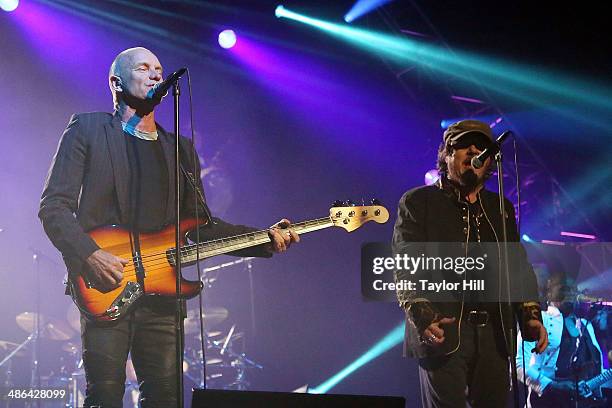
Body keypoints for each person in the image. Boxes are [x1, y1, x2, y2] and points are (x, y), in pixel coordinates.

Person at [38, 47, 299, 408]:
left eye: (159, 69)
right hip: (106, 285)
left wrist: (263, 239)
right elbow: (53, 207)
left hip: (164, 296)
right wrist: (90, 255)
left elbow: (202, 228)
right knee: (105, 396)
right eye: (144, 68)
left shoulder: (180, 149)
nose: (156, 75)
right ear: (116, 82)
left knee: (166, 398)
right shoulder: (88, 129)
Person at [392, 119, 548, 407]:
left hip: (496, 335)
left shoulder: (500, 207)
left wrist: (530, 314)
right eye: (464, 145)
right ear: (447, 155)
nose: (473, 150)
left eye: (481, 147)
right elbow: (406, 261)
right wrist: (423, 314)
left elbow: (517, 266)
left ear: (489, 160)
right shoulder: (418, 202)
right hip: (444, 329)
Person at [517, 271, 610, 407]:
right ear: (549, 292)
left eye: (574, 290)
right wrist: (553, 385)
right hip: (548, 401)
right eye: (564, 289)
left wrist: (597, 392)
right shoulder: (537, 321)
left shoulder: (585, 325)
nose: (570, 294)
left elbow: (597, 366)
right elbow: (519, 363)